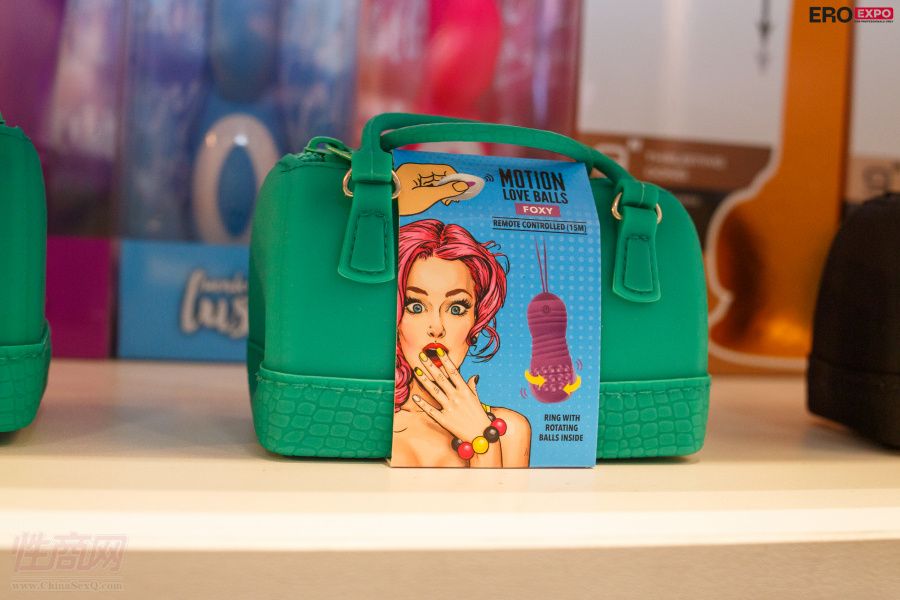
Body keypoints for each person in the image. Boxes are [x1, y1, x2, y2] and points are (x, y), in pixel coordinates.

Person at [392, 219, 531, 467]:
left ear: (477, 320)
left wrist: (483, 442)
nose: (437, 328)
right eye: (416, 307)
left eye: (456, 308)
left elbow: (500, 494)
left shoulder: (509, 430)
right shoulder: (373, 419)